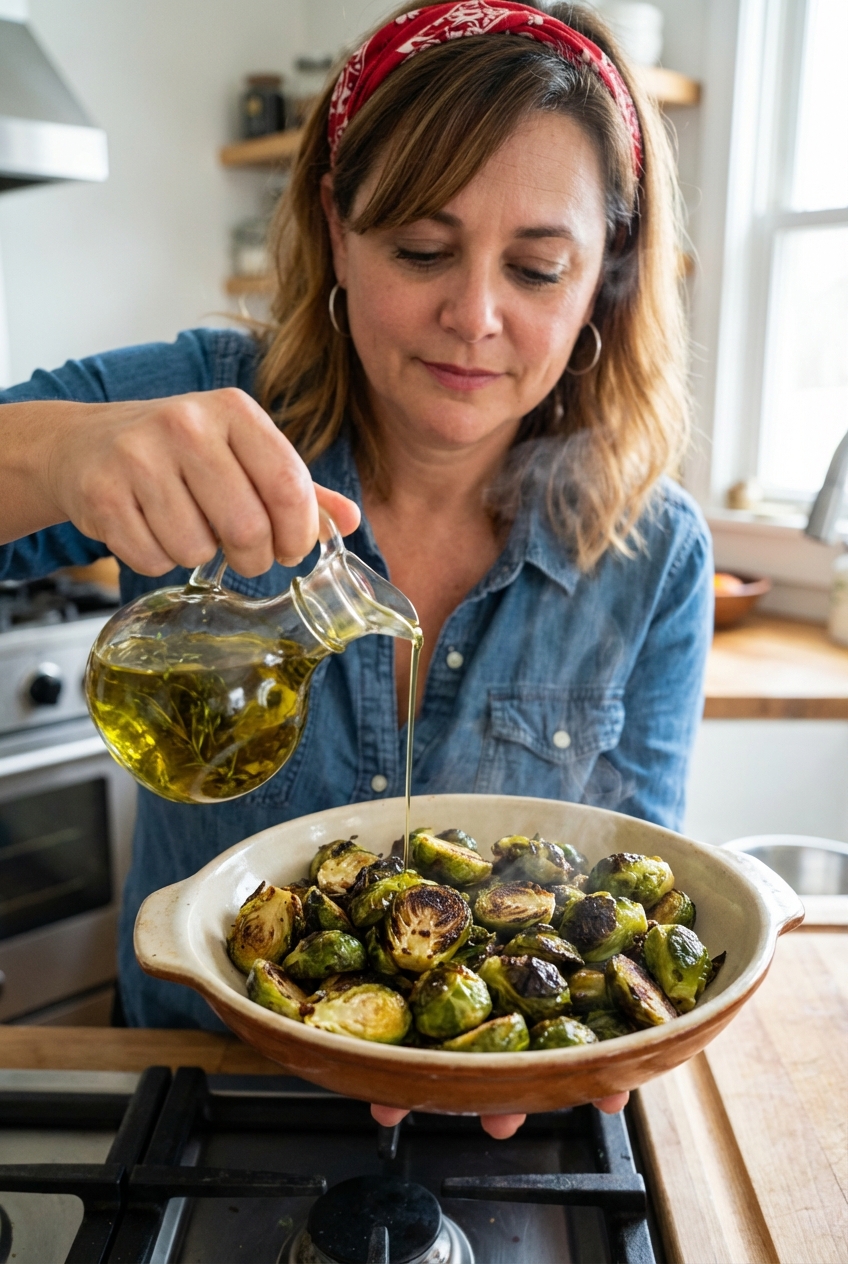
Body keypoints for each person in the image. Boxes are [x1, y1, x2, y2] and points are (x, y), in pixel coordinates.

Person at [0, 1, 711, 1138]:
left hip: (497, 1115)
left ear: (603, 278)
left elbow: (631, 887)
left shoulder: (654, 554)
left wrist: (594, 1033)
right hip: (204, 1090)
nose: (472, 316)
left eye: (536, 267)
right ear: (336, 227)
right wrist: (57, 449)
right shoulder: (205, 401)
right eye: (420, 250)